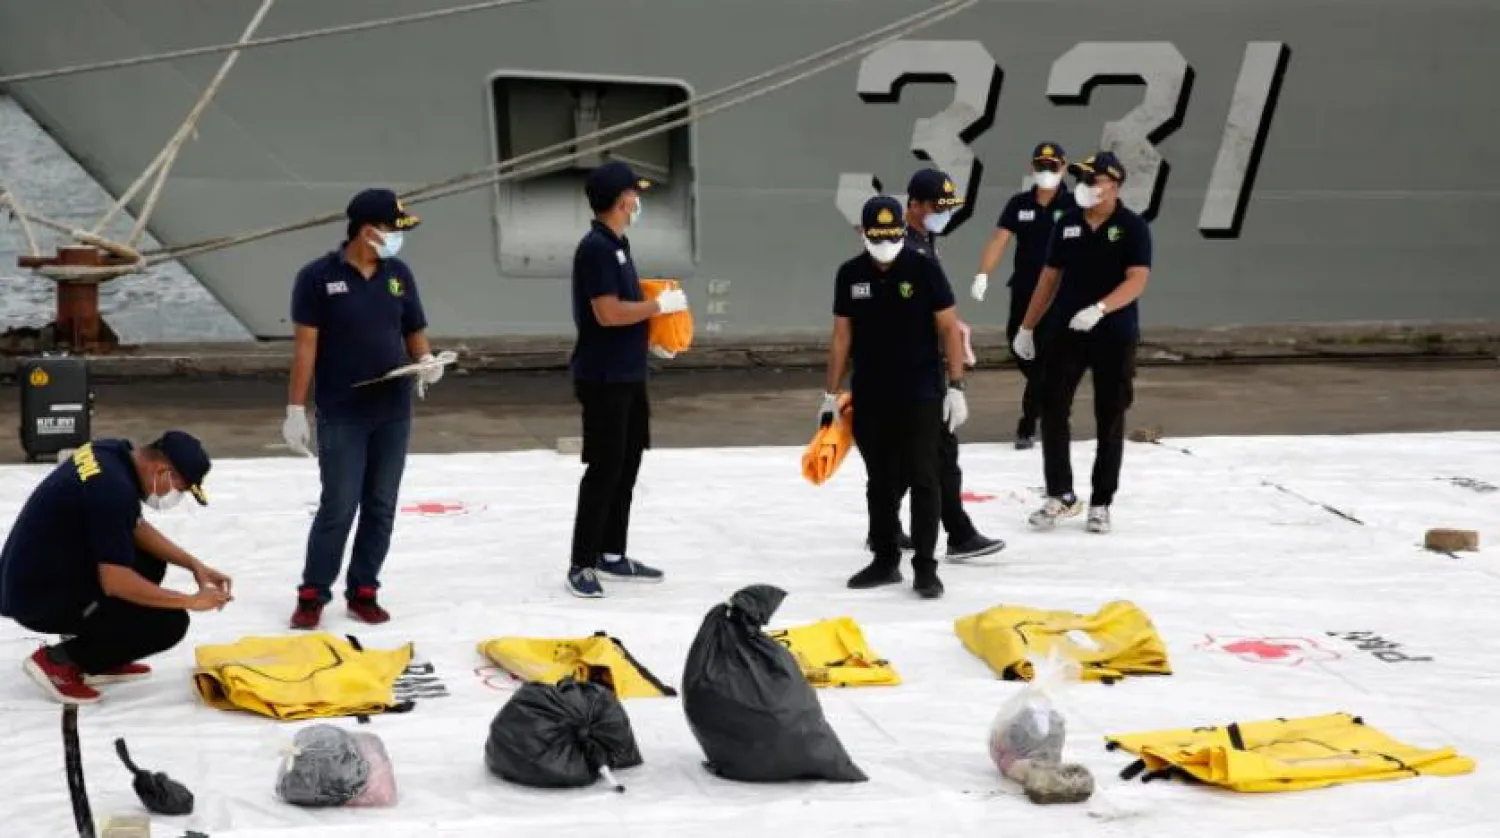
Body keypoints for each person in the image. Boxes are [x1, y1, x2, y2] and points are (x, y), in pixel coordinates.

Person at [283, 188, 447, 628]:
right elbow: (305, 348)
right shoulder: (317, 278)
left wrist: (427, 361)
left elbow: (414, 330)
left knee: (381, 504)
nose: (396, 237)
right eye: (392, 228)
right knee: (338, 503)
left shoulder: (399, 275)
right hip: (343, 411)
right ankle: (313, 593)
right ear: (367, 229)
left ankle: (364, 589)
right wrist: (295, 409)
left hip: (393, 409)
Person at [0, 432, 232, 704]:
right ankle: (59, 662)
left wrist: (193, 564)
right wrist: (190, 601)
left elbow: (133, 525)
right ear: (162, 471)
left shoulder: (111, 453)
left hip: (28, 575)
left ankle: (104, 654)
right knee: (169, 622)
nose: (173, 496)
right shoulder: (112, 492)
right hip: (37, 598)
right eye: (179, 489)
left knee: (150, 562)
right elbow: (115, 581)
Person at [824, 195, 970, 599]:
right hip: (872, 391)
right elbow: (841, 336)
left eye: (892, 235)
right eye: (877, 235)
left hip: (920, 392)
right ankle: (885, 558)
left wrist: (956, 387)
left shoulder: (924, 269)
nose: (885, 243)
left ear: (902, 233)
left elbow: (949, 329)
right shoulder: (849, 274)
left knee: (924, 477)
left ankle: (926, 565)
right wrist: (830, 393)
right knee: (880, 481)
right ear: (864, 234)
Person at [1011, 152, 1152, 533]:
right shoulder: (1068, 223)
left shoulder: (1132, 226)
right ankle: (1059, 494)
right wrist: (1027, 327)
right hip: (1066, 329)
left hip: (1113, 331)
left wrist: (1101, 309)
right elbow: (1048, 278)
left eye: (1094, 180)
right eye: (1082, 180)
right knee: (1053, 407)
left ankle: (1102, 501)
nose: (1086, 187)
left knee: (1110, 414)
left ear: (1114, 184)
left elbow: (1137, 279)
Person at [566, 160, 687, 598]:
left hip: (628, 372)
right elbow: (608, 312)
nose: (638, 200)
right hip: (603, 377)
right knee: (604, 466)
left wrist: (653, 335)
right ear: (620, 200)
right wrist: (660, 309)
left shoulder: (619, 244)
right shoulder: (597, 248)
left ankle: (612, 551)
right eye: (635, 194)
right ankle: (582, 561)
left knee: (628, 461)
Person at [875, 167, 1004, 564]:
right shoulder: (908, 251)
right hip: (918, 369)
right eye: (937, 207)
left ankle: (884, 527)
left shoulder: (922, 242)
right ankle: (958, 533)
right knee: (941, 454)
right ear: (913, 205)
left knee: (910, 453)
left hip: (914, 365)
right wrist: (954, 379)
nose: (943, 214)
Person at [972, 142, 1078, 449]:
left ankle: (1028, 424)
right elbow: (999, 240)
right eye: (1041, 167)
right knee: (1019, 346)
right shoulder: (1019, 204)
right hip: (1023, 290)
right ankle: (1050, 402)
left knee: (1044, 358)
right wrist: (983, 274)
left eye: (1053, 167)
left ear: (1064, 168)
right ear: (1032, 168)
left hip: (1057, 296)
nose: (1047, 173)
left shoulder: (1072, 205)